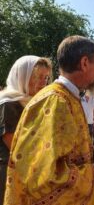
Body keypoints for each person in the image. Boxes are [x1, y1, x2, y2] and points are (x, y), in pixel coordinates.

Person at [4, 36, 94, 205]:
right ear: (85, 63)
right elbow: (43, 174)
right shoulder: (56, 101)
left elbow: (63, 150)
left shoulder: (68, 97)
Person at [0, 55, 52, 205]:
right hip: (9, 173)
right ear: (23, 76)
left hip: (29, 172)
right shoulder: (8, 104)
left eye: (46, 77)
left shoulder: (32, 102)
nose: (43, 82)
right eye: (38, 76)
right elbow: (15, 148)